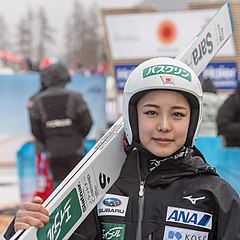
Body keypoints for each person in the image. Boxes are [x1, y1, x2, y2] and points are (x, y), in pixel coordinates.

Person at [4, 57, 240, 240]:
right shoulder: (100, 188)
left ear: (193, 121)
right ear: (132, 117)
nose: (164, 126)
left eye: (177, 114)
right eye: (151, 112)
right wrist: (24, 229)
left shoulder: (217, 195)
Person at [27, 63, 93, 188]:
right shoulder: (76, 97)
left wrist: (50, 140)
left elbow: (35, 130)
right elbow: (87, 123)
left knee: (59, 190)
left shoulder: (37, 101)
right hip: (76, 149)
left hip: (53, 152)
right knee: (80, 187)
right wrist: (78, 137)